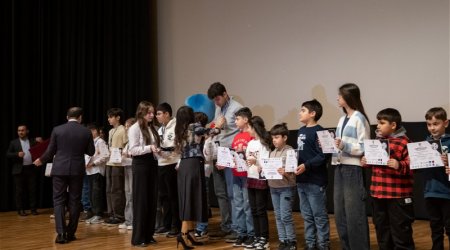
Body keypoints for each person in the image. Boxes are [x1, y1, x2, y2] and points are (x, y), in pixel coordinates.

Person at [33, 107, 95, 244]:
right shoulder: (86, 131)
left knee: (59, 200)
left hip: (60, 169)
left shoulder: (57, 129)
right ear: (80, 117)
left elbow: (50, 151)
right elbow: (91, 151)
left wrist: (40, 160)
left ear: (67, 117)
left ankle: (61, 234)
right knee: (75, 201)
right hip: (77, 170)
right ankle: (71, 233)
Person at [361, 108, 415, 249]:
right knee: (382, 231)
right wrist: (366, 162)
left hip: (397, 196)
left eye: (382, 122)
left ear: (393, 125)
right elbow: (374, 164)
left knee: (401, 233)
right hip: (378, 194)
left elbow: (414, 165)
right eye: (377, 122)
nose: (378, 125)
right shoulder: (377, 142)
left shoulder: (404, 142)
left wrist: (399, 164)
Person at [331, 83, 370, 250]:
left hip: (353, 169)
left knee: (354, 214)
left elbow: (365, 147)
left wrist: (344, 146)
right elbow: (339, 145)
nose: (337, 98)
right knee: (340, 214)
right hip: (339, 168)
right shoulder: (341, 119)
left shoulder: (359, 118)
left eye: (340, 95)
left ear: (348, 97)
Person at [207, 82, 242, 240]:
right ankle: (225, 225)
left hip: (231, 151)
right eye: (214, 100)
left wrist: (218, 126)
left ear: (225, 93)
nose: (216, 102)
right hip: (218, 151)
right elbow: (216, 124)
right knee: (220, 192)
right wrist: (212, 126)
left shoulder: (237, 108)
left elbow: (236, 129)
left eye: (218, 98)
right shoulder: (219, 107)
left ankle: (236, 227)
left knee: (232, 192)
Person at [295, 99, 330, 250]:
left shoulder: (322, 132)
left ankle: (323, 245)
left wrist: (306, 165)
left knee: (319, 217)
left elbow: (324, 155)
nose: (299, 113)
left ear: (313, 113)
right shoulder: (301, 131)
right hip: (301, 180)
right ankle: (311, 244)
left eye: (303, 110)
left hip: (315, 181)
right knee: (307, 216)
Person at [174, 106, 209, 249]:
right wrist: (218, 124)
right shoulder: (194, 126)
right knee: (191, 198)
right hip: (193, 164)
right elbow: (212, 131)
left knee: (187, 197)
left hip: (184, 165)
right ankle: (183, 235)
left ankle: (189, 233)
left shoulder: (179, 129)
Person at [128, 101, 160, 247]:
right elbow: (133, 150)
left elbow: (153, 148)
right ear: (141, 112)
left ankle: (148, 234)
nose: (152, 115)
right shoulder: (134, 128)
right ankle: (139, 236)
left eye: (153, 112)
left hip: (152, 164)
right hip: (140, 165)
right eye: (149, 113)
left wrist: (158, 151)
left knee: (152, 200)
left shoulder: (152, 128)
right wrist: (149, 148)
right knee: (141, 201)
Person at [420, 107, 450, 250]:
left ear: (446, 123)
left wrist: (448, 162)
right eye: (429, 124)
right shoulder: (424, 145)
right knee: (435, 228)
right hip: (430, 192)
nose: (432, 128)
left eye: (436, 123)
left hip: (447, 193)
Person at [243, 116, 271, 250]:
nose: (247, 130)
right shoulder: (250, 143)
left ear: (255, 128)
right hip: (251, 177)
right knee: (253, 210)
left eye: (249, 127)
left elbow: (266, 163)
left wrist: (257, 162)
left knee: (260, 210)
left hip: (261, 179)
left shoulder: (264, 143)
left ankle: (264, 239)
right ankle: (257, 236)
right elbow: (247, 160)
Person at [269, 123, 297, 250]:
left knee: (285, 215)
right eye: (273, 138)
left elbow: (292, 174)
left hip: (286, 188)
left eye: (277, 137)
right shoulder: (272, 153)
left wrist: (284, 172)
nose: (274, 140)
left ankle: (291, 241)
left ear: (284, 138)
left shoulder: (290, 152)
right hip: (273, 187)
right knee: (278, 215)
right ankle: (283, 240)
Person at [155, 102, 181, 237]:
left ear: (167, 114)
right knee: (163, 196)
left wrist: (163, 150)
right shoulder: (160, 129)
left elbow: (176, 146)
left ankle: (176, 225)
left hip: (172, 164)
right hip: (161, 164)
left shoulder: (176, 126)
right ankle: (166, 224)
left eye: (159, 114)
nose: (157, 116)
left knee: (173, 196)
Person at [230, 107, 255, 247]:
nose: (235, 121)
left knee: (247, 205)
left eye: (237, 119)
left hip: (247, 175)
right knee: (238, 205)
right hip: (236, 174)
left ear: (246, 120)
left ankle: (251, 233)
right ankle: (241, 233)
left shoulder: (250, 136)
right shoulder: (236, 136)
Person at [6, 124, 42, 216]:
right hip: (19, 170)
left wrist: (40, 141)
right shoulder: (13, 142)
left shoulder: (32, 141)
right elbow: (8, 154)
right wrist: (17, 154)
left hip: (31, 168)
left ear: (27, 131)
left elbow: (42, 147)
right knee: (19, 191)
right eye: (19, 131)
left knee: (32, 190)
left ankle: (33, 209)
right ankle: (20, 210)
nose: (20, 132)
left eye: (22, 130)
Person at [104, 108, 127, 226]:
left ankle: (119, 215)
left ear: (118, 117)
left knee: (117, 189)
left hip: (118, 163)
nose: (109, 119)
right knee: (109, 190)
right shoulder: (111, 131)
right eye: (108, 117)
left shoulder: (123, 130)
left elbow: (126, 145)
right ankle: (111, 213)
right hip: (109, 162)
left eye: (111, 117)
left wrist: (120, 152)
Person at [85, 123, 110, 225]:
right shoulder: (91, 143)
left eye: (90, 132)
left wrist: (94, 163)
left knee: (96, 193)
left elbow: (105, 156)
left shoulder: (100, 142)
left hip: (97, 170)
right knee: (91, 193)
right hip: (90, 171)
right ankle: (94, 213)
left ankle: (98, 214)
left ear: (95, 131)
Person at [118, 117, 136, 230]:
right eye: (125, 126)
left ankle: (134, 221)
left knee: (133, 194)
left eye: (128, 126)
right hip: (126, 167)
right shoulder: (128, 142)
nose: (126, 128)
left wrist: (128, 155)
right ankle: (128, 220)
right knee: (128, 194)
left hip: (133, 168)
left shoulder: (136, 139)